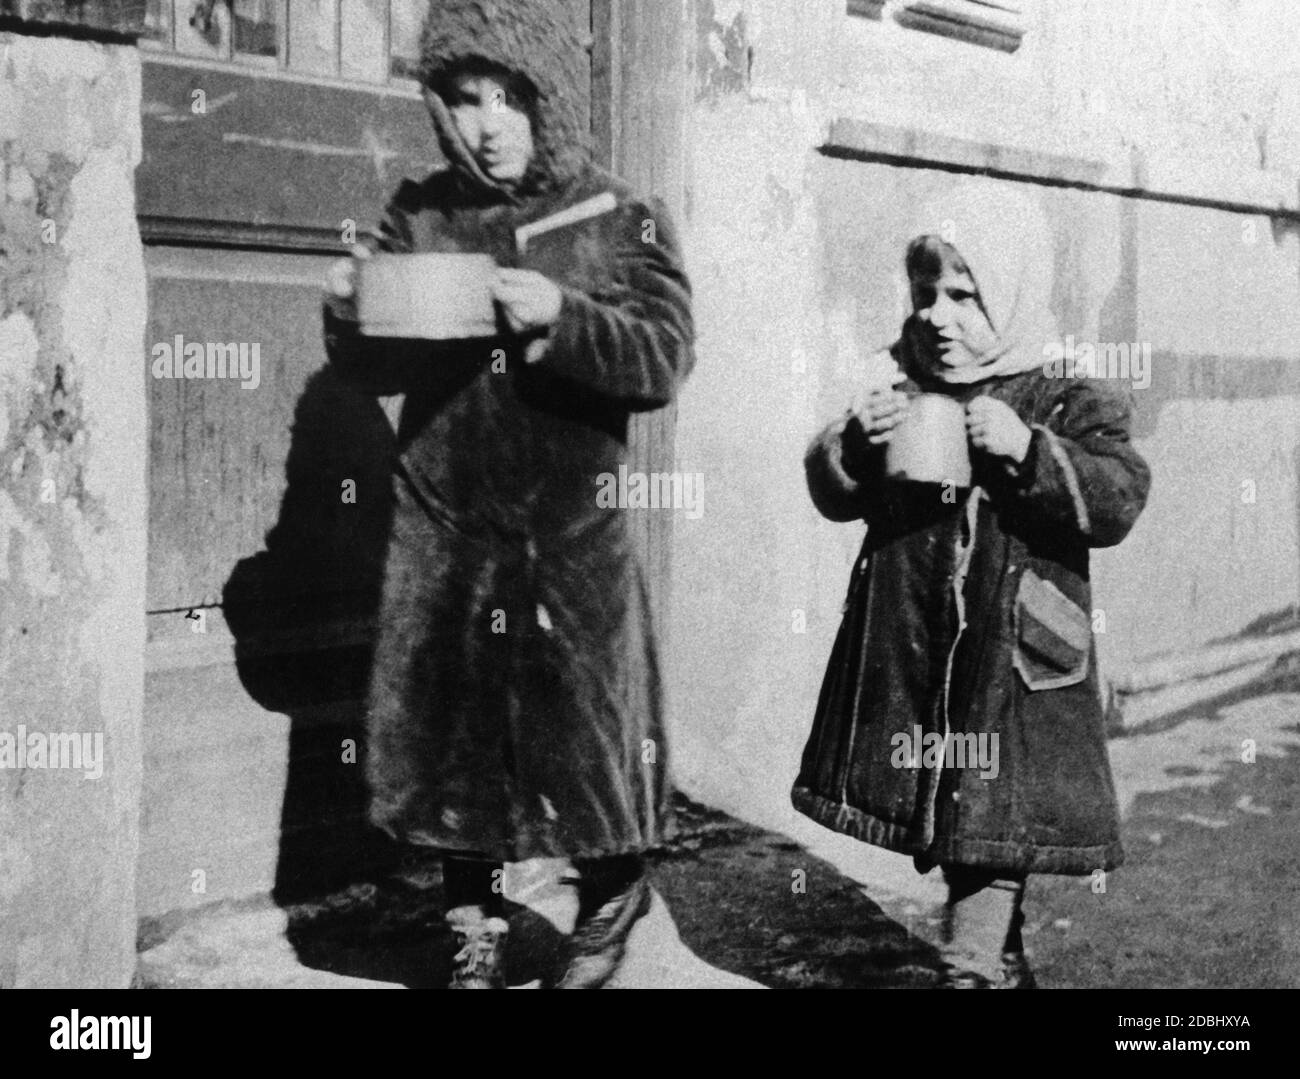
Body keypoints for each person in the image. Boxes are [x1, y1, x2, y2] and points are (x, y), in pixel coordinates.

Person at [322, 0, 694, 989]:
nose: (484, 122)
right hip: (444, 517)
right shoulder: (423, 212)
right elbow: (369, 362)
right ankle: (472, 919)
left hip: (566, 527)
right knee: (455, 743)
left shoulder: (619, 213)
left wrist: (564, 318)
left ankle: (611, 888)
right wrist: (349, 310)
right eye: (463, 96)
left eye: (508, 98)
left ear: (549, 99)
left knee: (584, 734)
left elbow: (663, 354)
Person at [793, 179, 1150, 988]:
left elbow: (1119, 492)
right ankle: (1001, 956)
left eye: (967, 295)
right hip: (919, 654)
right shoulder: (899, 383)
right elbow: (829, 492)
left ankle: (974, 967)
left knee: (990, 812)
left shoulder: (1062, 393)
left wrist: (1029, 452)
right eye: (928, 294)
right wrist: (852, 444)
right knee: (956, 818)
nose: (938, 316)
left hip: (1017, 661)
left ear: (1015, 291)